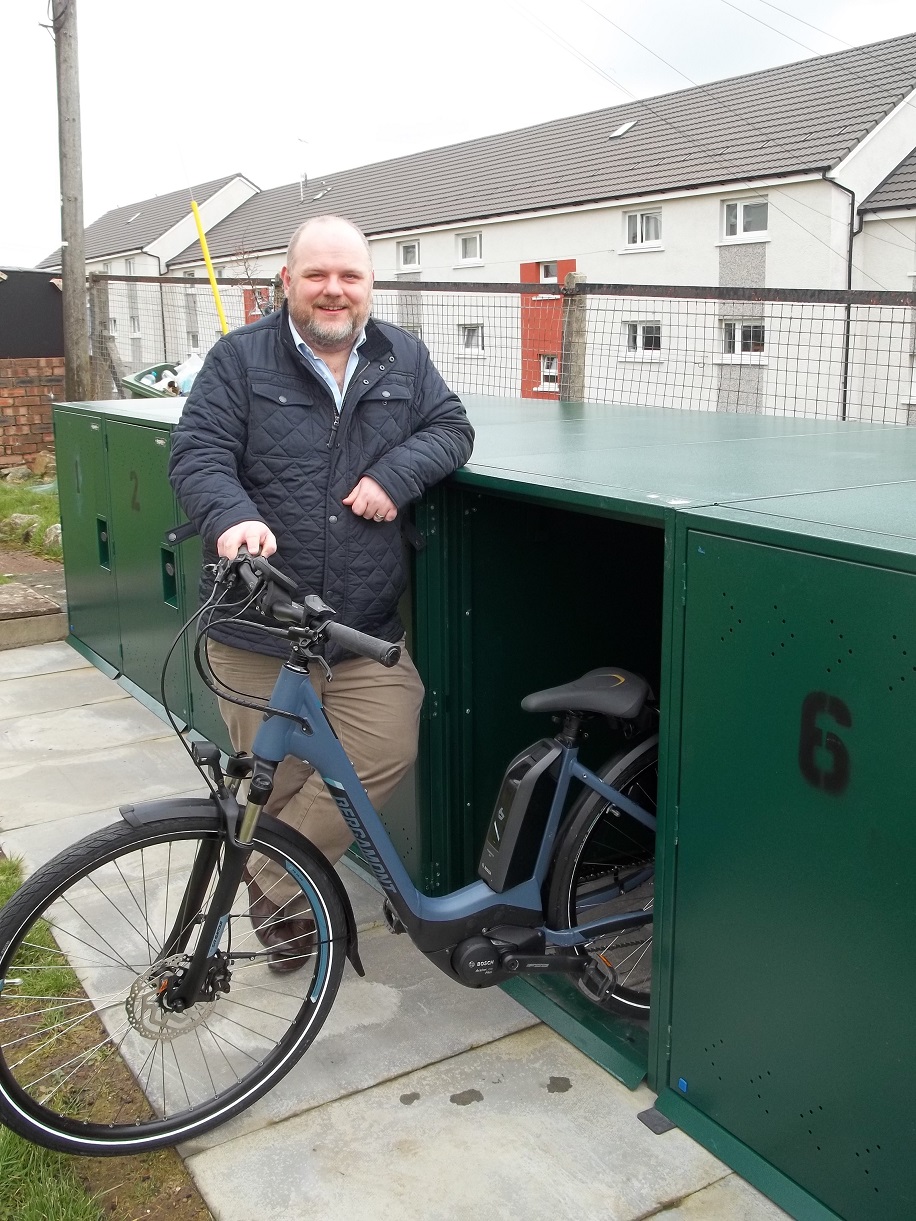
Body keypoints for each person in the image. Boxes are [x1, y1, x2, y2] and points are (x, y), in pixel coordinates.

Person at [169, 215, 474, 970]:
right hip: (257, 621)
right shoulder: (241, 359)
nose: (333, 290)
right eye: (317, 275)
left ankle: (271, 883)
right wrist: (233, 515)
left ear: (368, 285)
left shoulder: (404, 354)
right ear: (287, 283)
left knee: (386, 740)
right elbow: (198, 451)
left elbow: (452, 427)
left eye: (350, 276)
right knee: (273, 776)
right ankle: (292, 897)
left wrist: (395, 476)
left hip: (359, 625)